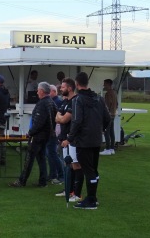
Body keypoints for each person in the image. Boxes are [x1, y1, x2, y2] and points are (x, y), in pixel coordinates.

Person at [62, 72, 111, 209]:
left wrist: (69, 139)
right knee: (94, 170)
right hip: (96, 140)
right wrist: (101, 130)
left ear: (77, 84)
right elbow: (108, 119)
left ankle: (91, 200)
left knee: (88, 170)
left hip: (83, 141)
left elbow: (77, 121)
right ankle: (93, 198)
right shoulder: (99, 99)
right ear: (87, 83)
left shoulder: (78, 100)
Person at [9, 82, 54, 187]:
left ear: (42, 91)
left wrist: (30, 132)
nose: (37, 92)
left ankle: (22, 181)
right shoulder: (51, 102)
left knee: (29, 158)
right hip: (46, 135)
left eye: (38, 90)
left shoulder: (42, 103)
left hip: (38, 136)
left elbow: (39, 122)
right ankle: (43, 181)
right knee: (41, 157)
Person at [54, 78, 83, 202]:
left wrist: (60, 118)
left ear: (70, 88)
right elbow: (57, 117)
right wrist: (60, 117)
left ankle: (77, 193)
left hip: (73, 139)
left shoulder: (74, 102)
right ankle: (68, 190)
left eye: (63, 87)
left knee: (76, 165)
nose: (61, 89)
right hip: (64, 139)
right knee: (67, 164)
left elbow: (64, 119)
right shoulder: (65, 101)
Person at [46, 85, 63, 184]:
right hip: (53, 131)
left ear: (53, 91)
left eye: (49, 92)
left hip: (54, 131)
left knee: (52, 153)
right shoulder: (55, 101)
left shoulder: (56, 102)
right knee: (50, 153)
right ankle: (53, 174)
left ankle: (60, 175)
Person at [100, 79, 118, 155]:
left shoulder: (108, 94)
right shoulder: (114, 93)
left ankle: (107, 149)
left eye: (105, 84)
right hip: (113, 114)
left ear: (108, 84)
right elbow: (116, 104)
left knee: (107, 132)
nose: (104, 85)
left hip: (109, 115)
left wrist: (105, 114)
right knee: (111, 132)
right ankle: (112, 148)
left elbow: (107, 105)